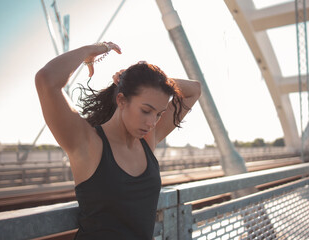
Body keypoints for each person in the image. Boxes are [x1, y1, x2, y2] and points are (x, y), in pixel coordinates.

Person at [35, 41, 201, 239]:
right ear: (122, 100)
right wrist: (91, 51)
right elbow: (46, 80)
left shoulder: (147, 141)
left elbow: (194, 90)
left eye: (159, 114)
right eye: (146, 111)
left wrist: (141, 82)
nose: (152, 122)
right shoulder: (89, 144)